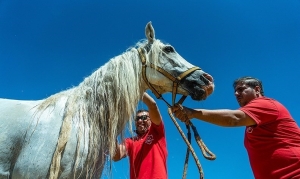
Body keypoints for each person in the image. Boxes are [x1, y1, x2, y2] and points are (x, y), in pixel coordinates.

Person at [172, 76, 300, 179]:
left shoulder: (266, 104)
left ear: (257, 89)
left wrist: (193, 113)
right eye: (235, 91)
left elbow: (234, 118)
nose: (236, 94)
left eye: (241, 89)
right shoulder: (254, 121)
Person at [112, 92, 167, 179]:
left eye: (144, 117)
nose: (140, 120)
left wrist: (137, 89)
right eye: (137, 118)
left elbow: (152, 105)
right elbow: (116, 156)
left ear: (150, 120)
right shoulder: (130, 141)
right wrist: (112, 133)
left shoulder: (156, 132)